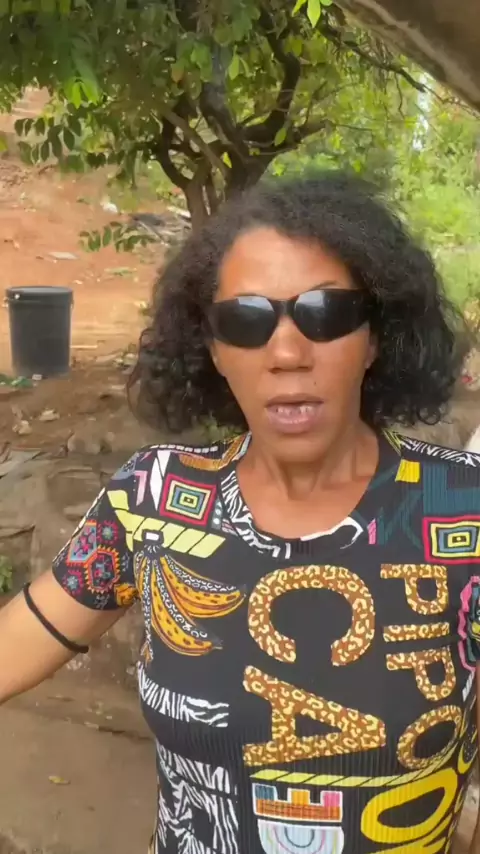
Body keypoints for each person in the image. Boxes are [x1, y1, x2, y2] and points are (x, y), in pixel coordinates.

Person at [0, 171, 479, 854]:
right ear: (215, 352)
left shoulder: (462, 510)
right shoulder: (155, 499)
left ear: (375, 337)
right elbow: (22, 637)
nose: (287, 353)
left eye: (325, 313)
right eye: (246, 322)